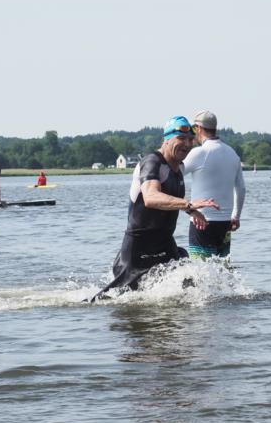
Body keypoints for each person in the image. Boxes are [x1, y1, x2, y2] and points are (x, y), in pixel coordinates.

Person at [92, 116, 218, 300]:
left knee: (189, 281)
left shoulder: (179, 168)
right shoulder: (151, 162)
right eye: (181, 139)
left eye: (191, 140)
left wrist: (191, 211)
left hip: (165, 243)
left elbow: (169, 196)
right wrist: (188, 204)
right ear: (167, 139)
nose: (187, 144)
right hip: (139, 249)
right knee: (114, 299)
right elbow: (151, 197)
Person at [181, 110, 245, 260]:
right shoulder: (232, 153)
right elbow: (241, 188)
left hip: (201, 222)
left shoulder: (199, 152)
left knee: (200, 272)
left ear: (198, 128)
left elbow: (173, 175)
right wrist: (236, 216)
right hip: (225, 224)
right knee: (222, 270)